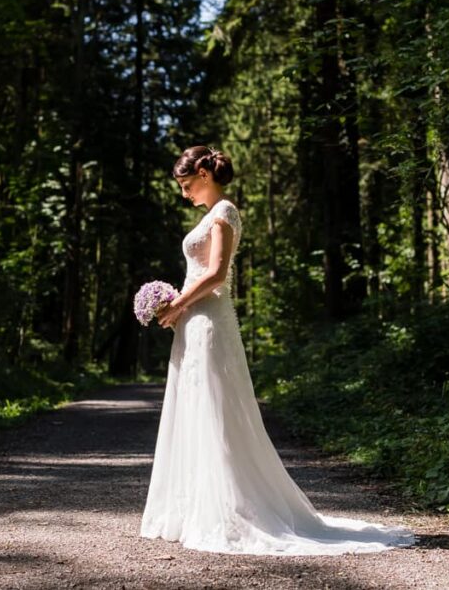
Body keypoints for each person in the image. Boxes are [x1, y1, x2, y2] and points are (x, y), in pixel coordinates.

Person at [139, 145, 415, 555]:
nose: (183, 194)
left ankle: (232, 509)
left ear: (203, 173)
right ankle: (193, 508)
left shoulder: (224, 212)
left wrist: (178, 303)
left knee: (218, 410)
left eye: (185, 185)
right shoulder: (207, 215)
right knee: (194, 408)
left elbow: (216, 273)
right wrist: (175, 306)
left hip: (211, 319)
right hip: (192, 322)